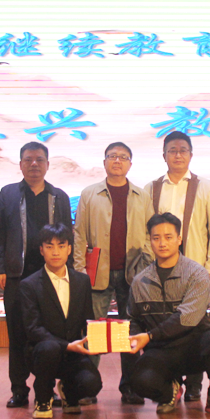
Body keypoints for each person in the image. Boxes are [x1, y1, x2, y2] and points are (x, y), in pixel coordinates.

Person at [127, 213, 210, 416]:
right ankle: (170, 391)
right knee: (138, 382)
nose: (162, 243)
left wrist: (150, 336)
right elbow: (133, 318)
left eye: (168, 237)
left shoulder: (197, 274)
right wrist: (131, 337)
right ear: (150, 241)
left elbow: (187, 318)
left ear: (179, 239)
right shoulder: (140, 281)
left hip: (194, 346)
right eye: (156, 238)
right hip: (160, 350)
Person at [0, 142, 73, 408]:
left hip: (51, 276)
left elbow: (67, 237)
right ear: (20, 164)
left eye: (39, 159)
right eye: (28, 160)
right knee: (17, 334)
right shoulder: (8, 194)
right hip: (16, 276)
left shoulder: (59, 196)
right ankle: (18, 389)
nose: (34, 164)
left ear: (48, 164)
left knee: (48, 334)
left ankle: (46, 389)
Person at [144, 130, 210, 403]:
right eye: (172, 150)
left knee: (195, 323)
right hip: (162, 271)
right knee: (168, 322)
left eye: (183, 150)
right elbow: (146, 232)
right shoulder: (152, 188)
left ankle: (195, 383)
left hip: (196, 269)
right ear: (164, 155)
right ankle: (172, 380)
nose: (178, 155)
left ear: (190, 154)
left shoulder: (205, 187)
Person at [73, 142, 151, 405]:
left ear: (130, 163)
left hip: (133, 274)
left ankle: (130, 387)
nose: (117, 161)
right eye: (112, 156)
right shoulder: (89, 193)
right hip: (98, 272)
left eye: (123, 157)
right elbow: (79, 234)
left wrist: (146, 267)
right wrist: (79, 271)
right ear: (104, 161)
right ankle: (87, 387)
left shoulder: (142, 196)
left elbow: (150, 234)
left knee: (130, 331)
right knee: (93, 330)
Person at [21, 223, 103, 419]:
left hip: (74, 354)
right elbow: (33, 329)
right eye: (49, 246)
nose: (55, 252)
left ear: (69, 249)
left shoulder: (82, 281)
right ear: (41, 250)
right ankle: (43, 399)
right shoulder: (29, 285)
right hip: (42, 353)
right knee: (49, 348)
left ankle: (69, 392)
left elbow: (88, 321)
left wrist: (104, 341)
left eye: (61, 246)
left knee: (92, 384)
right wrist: (66, 345)